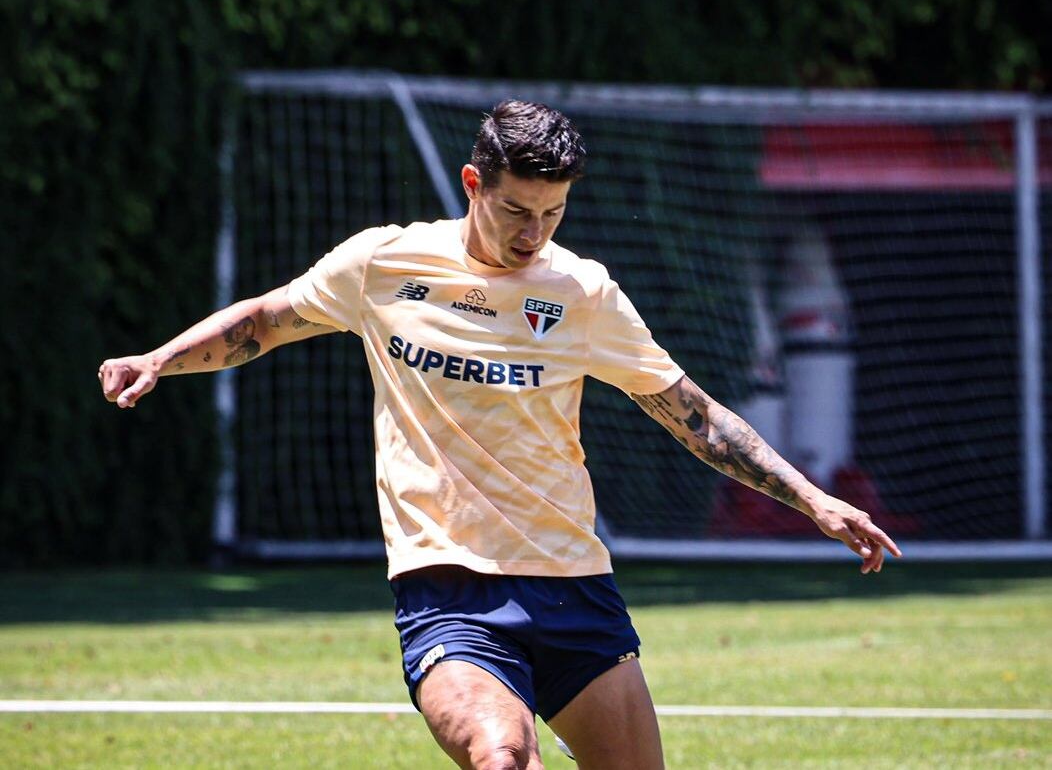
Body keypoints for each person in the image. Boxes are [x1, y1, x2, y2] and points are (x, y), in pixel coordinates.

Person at [99, 100, 902, 770]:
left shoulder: (582, 290)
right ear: (473, 183)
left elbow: (691, 412)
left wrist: (812, 500)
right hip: (447, 586)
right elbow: (268, 320)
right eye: (517, 209)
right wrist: (160, 359)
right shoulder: (385, 263)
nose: (533, 233)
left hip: (573, 584)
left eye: (553, 213)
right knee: (502, 755)